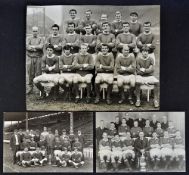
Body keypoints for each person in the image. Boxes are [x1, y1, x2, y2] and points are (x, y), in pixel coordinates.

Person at [26, 26, 44, 94]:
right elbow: (27, 47)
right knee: (30, 73)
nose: (35, 32)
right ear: (31, 31)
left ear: (38, 31)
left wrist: (33, 47)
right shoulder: (28, 38)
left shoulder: (41, 39)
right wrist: (36, 48)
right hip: (30, 58)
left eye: (36, 31)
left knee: (38, 73)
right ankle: (30, 87)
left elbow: (41, 46)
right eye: (33, 31)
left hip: (38, 57)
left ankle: (41, 88)